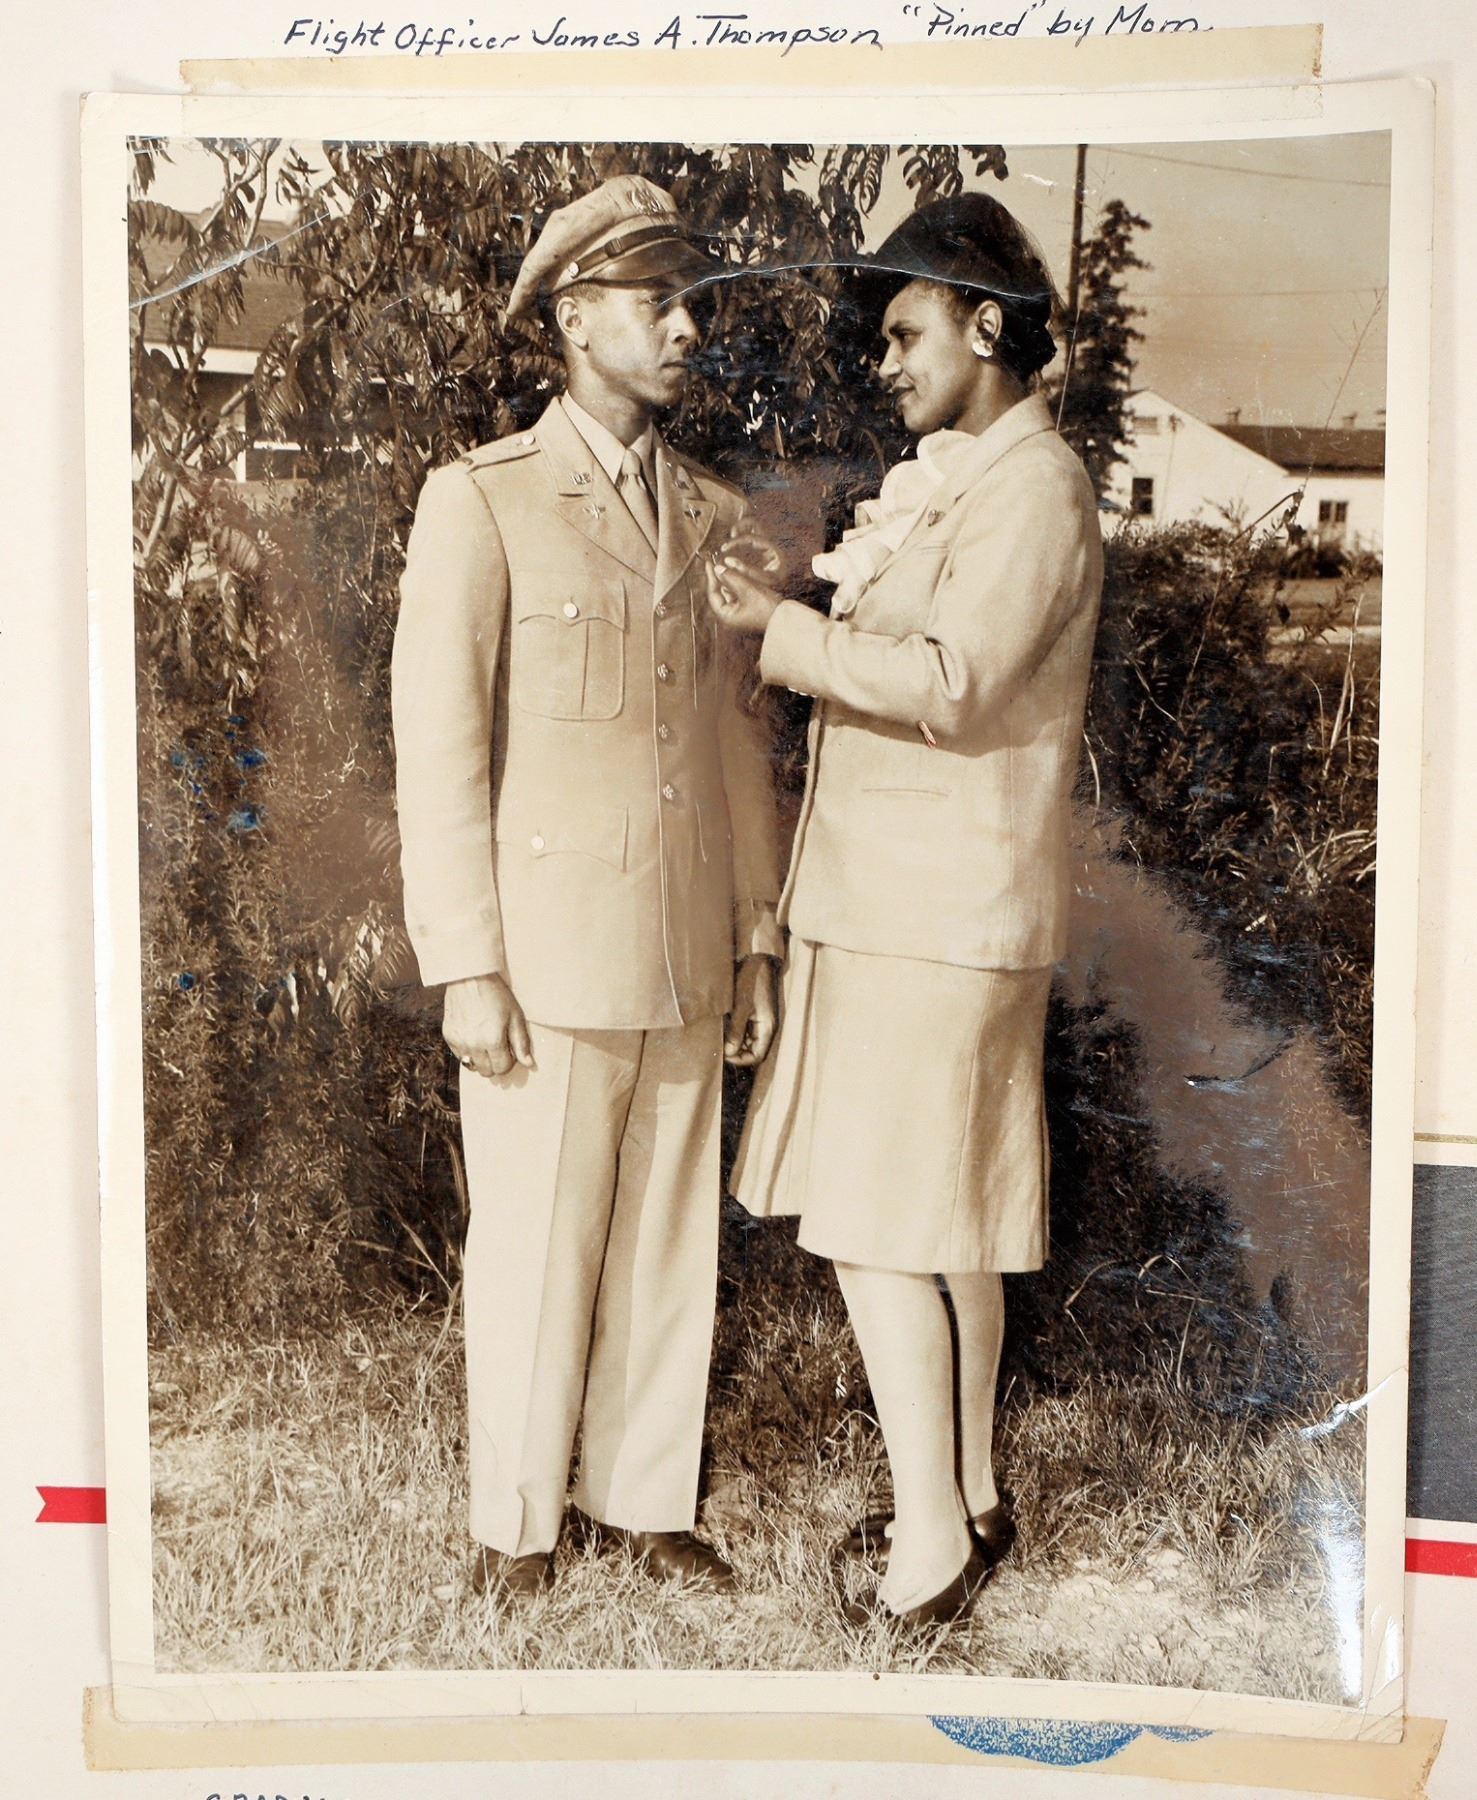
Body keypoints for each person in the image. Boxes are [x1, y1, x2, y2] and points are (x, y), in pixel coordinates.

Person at [705, 192, 1104, 1628]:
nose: (885, 363)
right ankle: (973, 1495)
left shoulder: (1034, 488)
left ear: (986, 327)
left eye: (905, 332)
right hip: (918, 909)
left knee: (879, 1226)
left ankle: (930, 1549)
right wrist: (801, 616)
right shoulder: (973, 481)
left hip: (934, 919)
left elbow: (953, 684)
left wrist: (785, 634)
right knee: (946, 1225)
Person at [391, 175, 781, 1603]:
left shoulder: (713, 512)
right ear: (573, 316)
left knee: (668, 1235)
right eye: (655, 302)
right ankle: (515, 1526)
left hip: (682, 938)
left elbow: (734, 748)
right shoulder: (483, 499)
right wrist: (466, 963)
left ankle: (641, 1501)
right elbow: (438, 748)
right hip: (547, 954)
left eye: (689, 304)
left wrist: (752, 937)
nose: (685, 329)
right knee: (538, 1242)